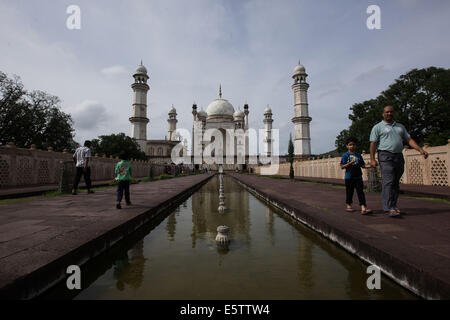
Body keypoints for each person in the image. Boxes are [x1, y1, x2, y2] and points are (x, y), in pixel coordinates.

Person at [369, 106, 428, 217]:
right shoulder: (378, 127)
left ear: (394, 113)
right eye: (387, 112)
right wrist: (372, 159)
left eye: (391, 112)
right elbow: (373, 143)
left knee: (395, 182)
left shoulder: (400, 127)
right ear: (383, 114)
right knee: (389, 180)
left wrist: (420, 149)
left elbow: (409, 139)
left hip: (398, 156)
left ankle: (394, 206)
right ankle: (388, 208)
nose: (389, 113)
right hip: (385, 155)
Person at [340, 137, 372, 215]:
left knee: (360, 192)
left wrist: (371, 165)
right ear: (347, 146)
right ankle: (348, 205)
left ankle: (363, 207)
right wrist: (350, 163)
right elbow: (342, 166)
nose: (352, 146)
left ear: (356, 146)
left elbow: (363, 165)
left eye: (353, 145)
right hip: (349, 177)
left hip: (358, 176)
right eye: (350, 145)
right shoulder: (345, 155)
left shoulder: (358, 155)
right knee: (349, 192)